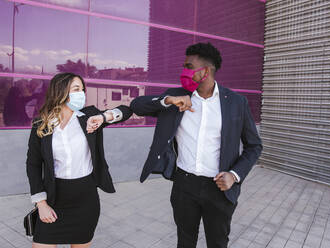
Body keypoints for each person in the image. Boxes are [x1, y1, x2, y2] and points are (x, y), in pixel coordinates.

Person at [130, 42, 262, 248]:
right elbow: (136, 105)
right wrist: (168, 101)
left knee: (217, 243)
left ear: (206, 71)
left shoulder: (236, 102)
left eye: (189, 66)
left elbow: (254, 146)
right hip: (184, 185)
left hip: (219, 188)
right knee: (185, 241)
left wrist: (234, 175)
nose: (184, 71)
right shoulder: (177, 97)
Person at [26, 72, 132, 248]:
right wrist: (41, 203)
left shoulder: (90, 117)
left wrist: (103, 117)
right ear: (61, 91)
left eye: (82, 89)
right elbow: (33, 165)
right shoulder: (41, 124)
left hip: (85, 198)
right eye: (76, 89)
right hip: (53, 197)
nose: (81, 93)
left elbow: (126, 110)